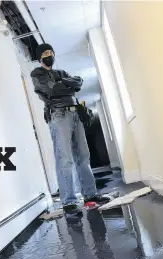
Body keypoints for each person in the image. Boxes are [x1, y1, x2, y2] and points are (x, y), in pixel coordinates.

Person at [30, 43, 110, 214]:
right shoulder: (37, 74)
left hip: (75, 114)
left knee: (83, 155)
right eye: (45, 53)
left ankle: (90, 195)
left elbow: (78, 82)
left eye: (51, 52)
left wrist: (64, 81)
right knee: (64, 158)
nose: (49, 55)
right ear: (39, 57)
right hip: (58, 115)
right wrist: (66, 85)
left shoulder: (61, 73)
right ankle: (68, 201)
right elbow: (52, 90)